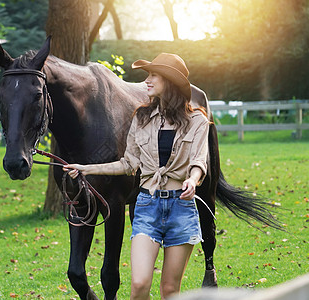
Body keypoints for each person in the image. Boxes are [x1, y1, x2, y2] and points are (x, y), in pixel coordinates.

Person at [64, 53, 209, 299]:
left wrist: (192, 180)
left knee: (170, 290)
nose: (147, 81)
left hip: (181, 209)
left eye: (153, 75)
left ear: (170, 81)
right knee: (140, 284)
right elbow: (128, 163)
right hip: (147, 207)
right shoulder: (142, 118)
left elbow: (199, 160)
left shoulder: (197, 121)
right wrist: (87, 169)